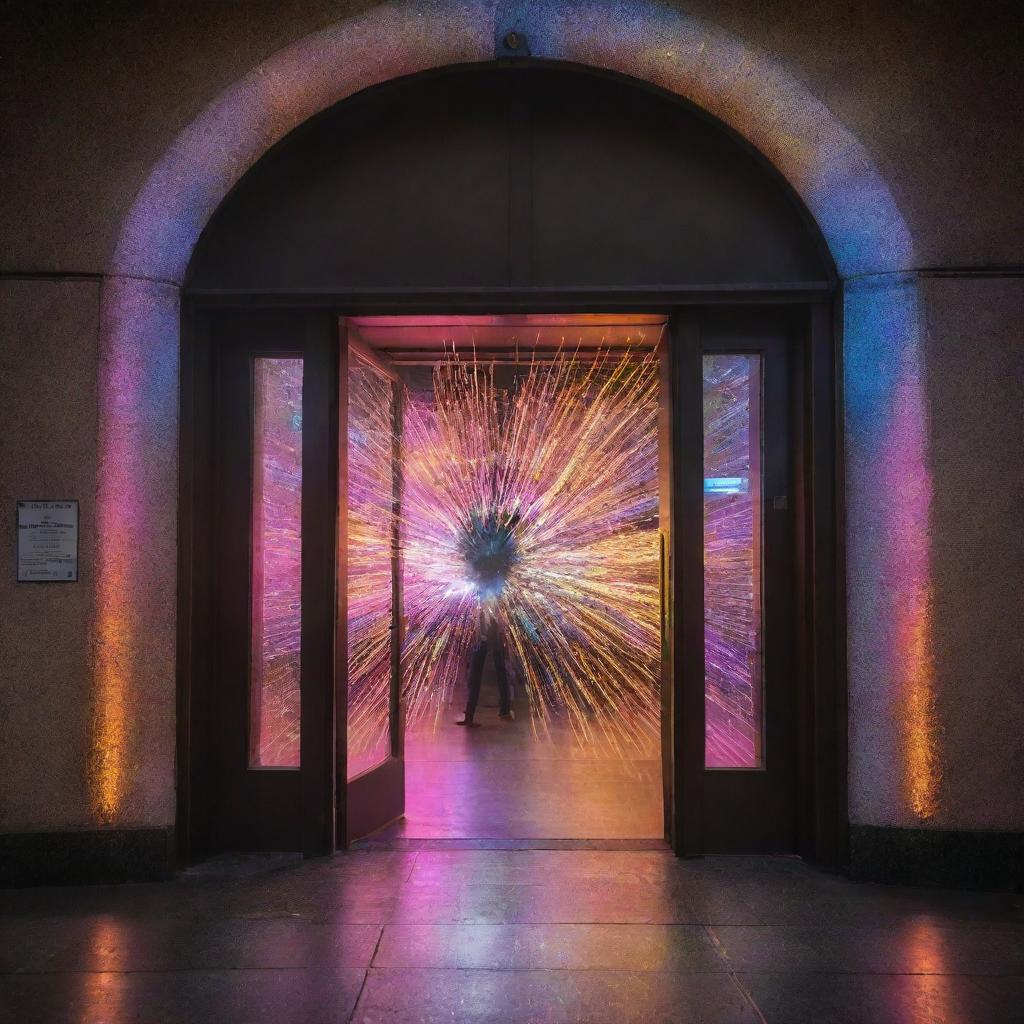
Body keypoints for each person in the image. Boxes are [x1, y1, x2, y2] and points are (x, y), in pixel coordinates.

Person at [455, 508, 519, 726]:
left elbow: (476, 564)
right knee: (490, 665)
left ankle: (477, 713)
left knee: (485, 666)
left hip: (489, 620)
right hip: (490, 618)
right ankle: (497, 711)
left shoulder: (491, 552)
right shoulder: (498, 548)